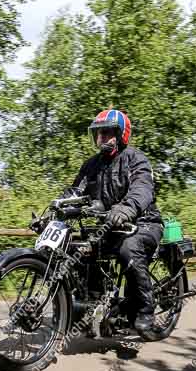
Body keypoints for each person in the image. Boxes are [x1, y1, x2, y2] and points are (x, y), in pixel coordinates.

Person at [63, 109, 164, 333]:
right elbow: (75, 192)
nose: (102, 138)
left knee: (129, 250)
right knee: (78, 250)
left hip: (143, 223)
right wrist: (58, 207)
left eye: (107, 133)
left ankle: (144, 311)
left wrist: (127, 208)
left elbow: (142, 189)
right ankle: (89, 306)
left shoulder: (135, 159)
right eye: (98, 133)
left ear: (121, 135)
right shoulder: (91, 165)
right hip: (109, 227)